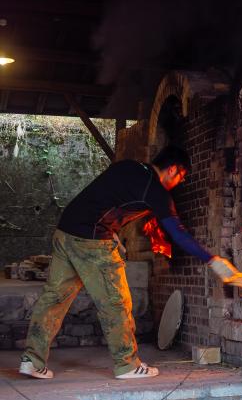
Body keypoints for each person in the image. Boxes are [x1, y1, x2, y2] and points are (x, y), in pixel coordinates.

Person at [19, 145, 229, 380]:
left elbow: (102, 197)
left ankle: (32, 360)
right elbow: (178, 234)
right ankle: (127, 364)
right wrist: (212, 259)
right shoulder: (155, 191)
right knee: (116, 302)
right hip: (92, 240)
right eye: (181, 177)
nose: (179, 182)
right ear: (172, 170)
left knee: (53, 299)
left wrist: (114, 232)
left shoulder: (127, 166)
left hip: (65, 232)